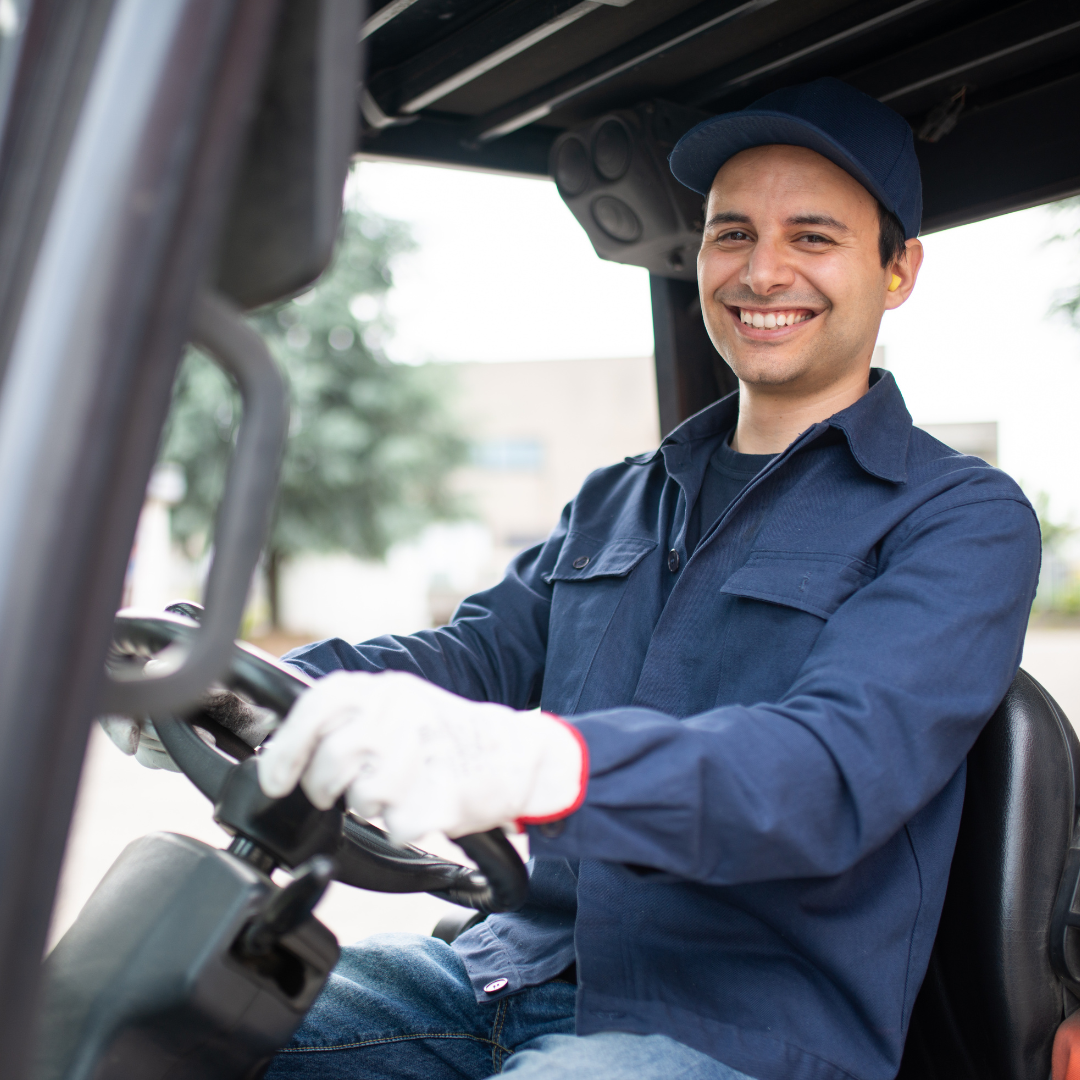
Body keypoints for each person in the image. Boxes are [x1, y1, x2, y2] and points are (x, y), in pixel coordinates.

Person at [107, 78, 1041, 1080]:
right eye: (732, 234)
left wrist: (537, 762)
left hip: (739, 1029)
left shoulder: (958, 520)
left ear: (898, 270)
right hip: (501, 973)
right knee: (153, 1016)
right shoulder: (620, 499)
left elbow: (830, 771)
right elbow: (470, 657)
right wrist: (223, 682)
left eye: (813, 238)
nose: (763, 270)